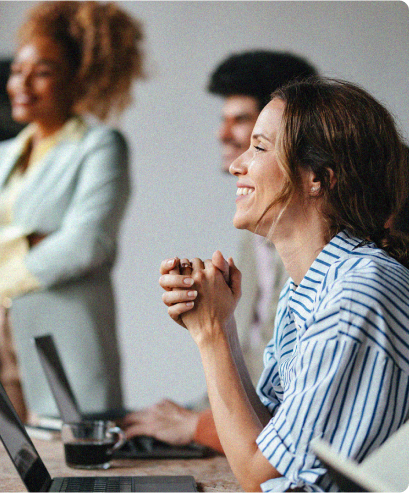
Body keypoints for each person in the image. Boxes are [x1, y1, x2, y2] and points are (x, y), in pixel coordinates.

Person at [158, 77, 409, 492]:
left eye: (258, 147)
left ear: (318, 178)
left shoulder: (357, 295)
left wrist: (211, 335)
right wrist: (219, 324)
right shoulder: (311, 286)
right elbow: (271, 437)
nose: (238, 164)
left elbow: (262, 477)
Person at [0, 0, 144, 422]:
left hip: (60, 345)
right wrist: (23, 241)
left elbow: (87, 245)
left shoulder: (100, 147)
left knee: (68, 470)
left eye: (42, 72)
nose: (21, 83)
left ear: (78, 80)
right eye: (16, 70)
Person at [122, 51, 317, 453]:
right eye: (223, 120)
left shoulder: (332, 262)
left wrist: (196, 425)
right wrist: (184, 414)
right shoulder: (255, 234)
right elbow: (256, 363)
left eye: (243, 122)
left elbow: (288, 439)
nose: (224, 134)